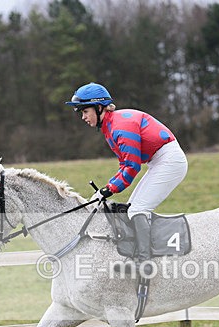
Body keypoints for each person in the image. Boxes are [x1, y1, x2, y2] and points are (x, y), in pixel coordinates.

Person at [65, 82, 188, 274]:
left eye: (85, 111)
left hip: (169, 161)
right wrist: (104, 190)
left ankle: (145, 263)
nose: (83, 117)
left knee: (138, 209)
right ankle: (137, 255)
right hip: (160, 160)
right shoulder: (110, 126)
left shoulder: (120, 127)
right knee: (132, 208)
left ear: (99, 108)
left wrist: (106, 191)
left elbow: (132, 167)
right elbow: (125, 165)